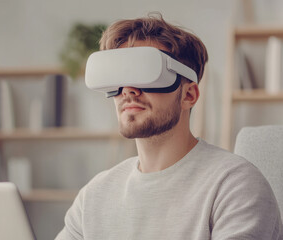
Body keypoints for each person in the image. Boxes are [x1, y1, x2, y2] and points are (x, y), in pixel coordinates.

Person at [56, 13, 283, 240]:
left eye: (147, 74)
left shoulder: (235, 186)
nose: (128, 90)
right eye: (120, 77)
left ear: (189, 95)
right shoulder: (94, 195)